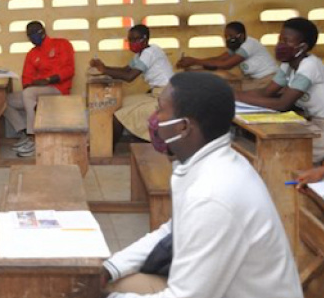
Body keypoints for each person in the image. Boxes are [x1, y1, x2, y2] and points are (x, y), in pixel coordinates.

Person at [102, 72, 302, 298]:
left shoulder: (213, 193)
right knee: (104, 283)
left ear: (183, 127)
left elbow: (185, 296)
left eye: (160, 109)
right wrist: (110, 268)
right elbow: (173, 231)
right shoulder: (210, 164)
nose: (154, 117)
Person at [236, 17, 324, 165]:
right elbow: (267, 92)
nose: (280, 45)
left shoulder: (309, 66)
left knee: (289, 154)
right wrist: (234, 96)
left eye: (286, 41)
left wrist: (237, 96)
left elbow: (282, 104)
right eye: (280, 39)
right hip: (313, 121)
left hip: (323, 124)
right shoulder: (288, 64)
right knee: (272, 143)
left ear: (302, 47)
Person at [89, 24, 174, 147]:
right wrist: (103, 67)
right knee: (120, 103)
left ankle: (105, 149)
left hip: (166, 97)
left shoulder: (149, 53)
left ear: (145, 39)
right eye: (130, 40)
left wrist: (104, 70)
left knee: (118, 117)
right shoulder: (140, 54)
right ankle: (103, 144)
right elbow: (125, 70)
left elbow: (129, 77)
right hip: (157, 93)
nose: (132, 43)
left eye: (135, 39)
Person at [3, 21, 75, 157]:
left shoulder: (62, 44)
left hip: (58, 89)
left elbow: (69, 70)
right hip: (38, 90)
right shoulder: (32, 54)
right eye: (29, 35)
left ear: (42, 32)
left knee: (29, 94)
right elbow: (26, 77)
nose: (32, 37)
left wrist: (48, 80)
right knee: (5, 101)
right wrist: (31, 83)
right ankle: (24, 133)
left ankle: (33, 139)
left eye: (34, 33)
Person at [176, 21, 277, 90]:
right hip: (252, 80)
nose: (228, 39)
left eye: (231, 36)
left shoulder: (249, 45)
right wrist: (195, 65)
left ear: (241, 36)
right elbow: (219, 59)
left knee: (227, 89)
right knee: (225, 85)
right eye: (226, 37)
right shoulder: (237, 45)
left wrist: (195, 61)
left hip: (266, 80)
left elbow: (226, 65)